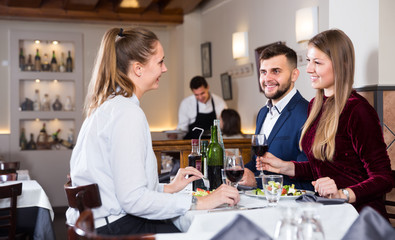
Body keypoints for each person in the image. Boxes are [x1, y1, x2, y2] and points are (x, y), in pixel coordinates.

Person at [66, 27, 239, 235]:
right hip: (117, 229)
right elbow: (132, 200)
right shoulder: (127, 114)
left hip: (99, 224)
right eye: (160, 62)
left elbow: (122, 186)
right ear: (138, 69)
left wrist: (169, 188)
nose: (164, 69)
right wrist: (198, 202)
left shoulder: (106, 107)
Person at [257, 29, 394, 218]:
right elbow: (324, 166)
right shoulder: (315, 106)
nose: (309, 69)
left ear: (341, 65)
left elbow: (384, 178)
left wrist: (343, 194)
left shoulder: (357, 110)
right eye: (309, 61)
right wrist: (285, 167)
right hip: (329, 212)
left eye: (317, 63)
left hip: (359, 217)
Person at [239, 44, 313, 191]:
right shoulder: (262, 113)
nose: (267, 78)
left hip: (291, 207)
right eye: (263, 72)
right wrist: (239, 171)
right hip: (259, 202)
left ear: (294, 75)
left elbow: (309, 177)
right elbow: (256, 163)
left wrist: (258, 182)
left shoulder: (308, 113)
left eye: (276, 71)